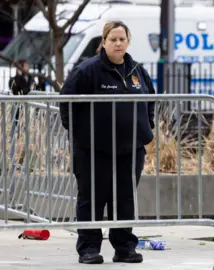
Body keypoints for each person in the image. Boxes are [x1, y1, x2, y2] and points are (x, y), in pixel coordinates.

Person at [59, 21, 155, 264]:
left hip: (130, 149)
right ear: (104, 42)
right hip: (93, 150)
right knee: (92, 198)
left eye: (122, 39)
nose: (118, 43)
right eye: (113, 39)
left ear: (128, 41)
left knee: (124, 198)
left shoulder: (136, 71)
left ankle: (124, 248)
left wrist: (147, 125)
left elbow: (151, 98)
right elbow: (66, 101)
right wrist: (79, 133)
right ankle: (89, 249)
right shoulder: (87, 70)